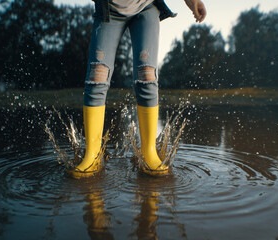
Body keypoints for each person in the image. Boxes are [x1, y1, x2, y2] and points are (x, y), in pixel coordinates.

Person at [69, 0, 207, 178]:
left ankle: (149, 152)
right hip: (109, 10)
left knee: (147, 76)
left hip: (146, 8)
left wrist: (193, 2)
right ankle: (92, 155)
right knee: (97, 76)